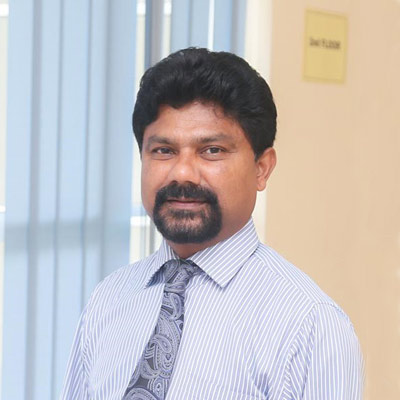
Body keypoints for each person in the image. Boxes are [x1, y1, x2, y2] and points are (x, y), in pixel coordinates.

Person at [60, 48, 364, 399]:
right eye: (163, 150)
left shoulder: (310, 325)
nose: (183, 173)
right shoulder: (109, 299)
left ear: (262, 168)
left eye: (212, 150)